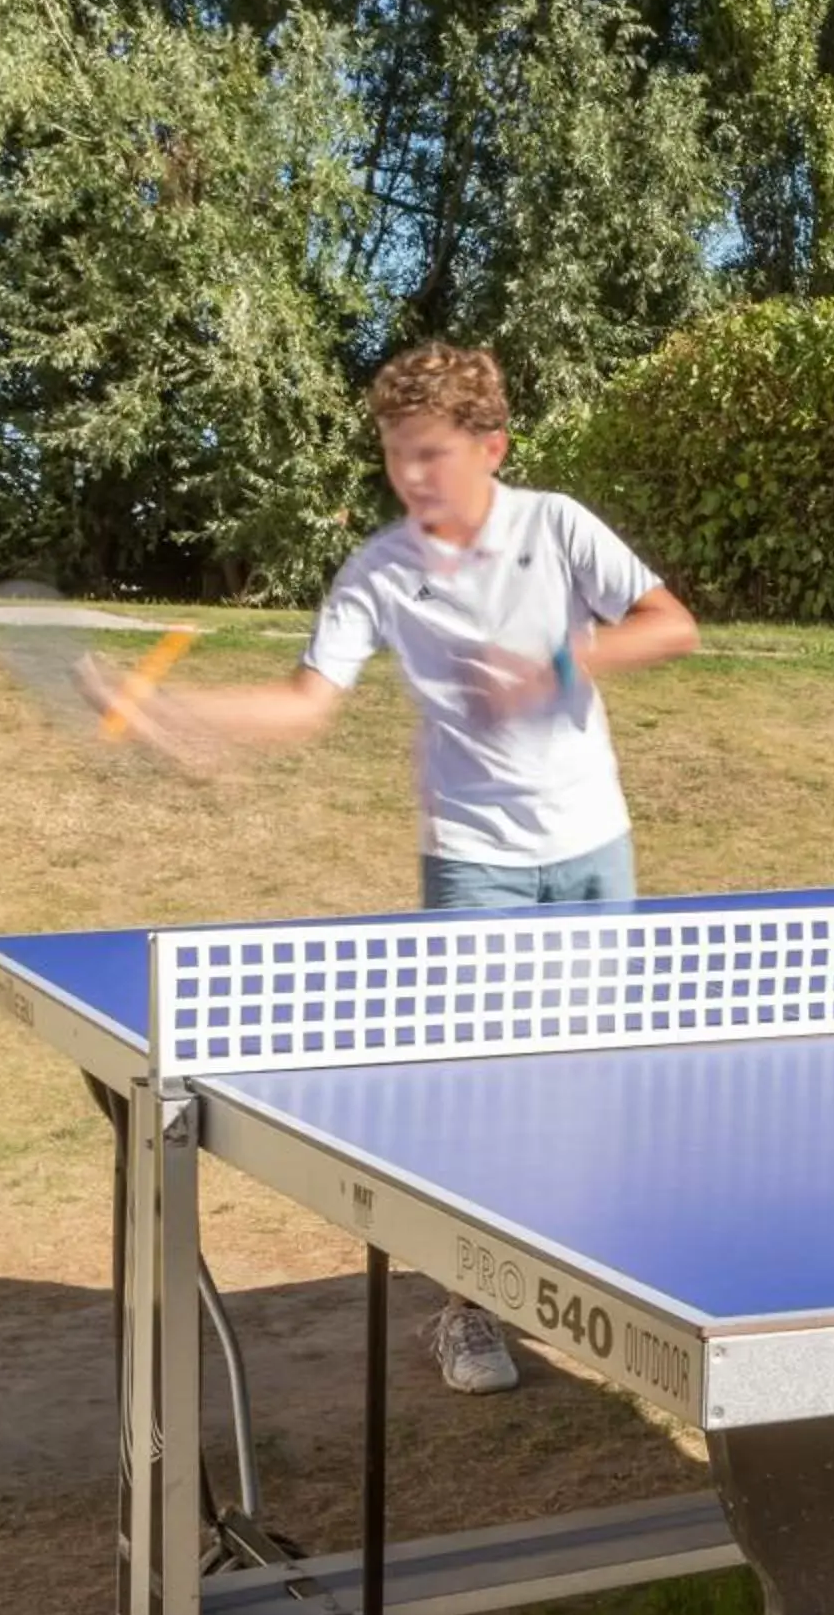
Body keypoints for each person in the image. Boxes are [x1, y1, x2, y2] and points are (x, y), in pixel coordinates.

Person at [86, 338, 699, 1395]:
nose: (412, 476)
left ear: (490, 446)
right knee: (490, 1095)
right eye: (396, 456)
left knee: (591, 1083)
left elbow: (671, 624)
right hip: (475, 864)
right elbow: (305, 701)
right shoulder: (378, 572)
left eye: (431, 454)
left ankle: (586, 1282)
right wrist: (177, 712)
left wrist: (559, 661)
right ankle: (471, 1305)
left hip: (594, 846)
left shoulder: (557, 529)